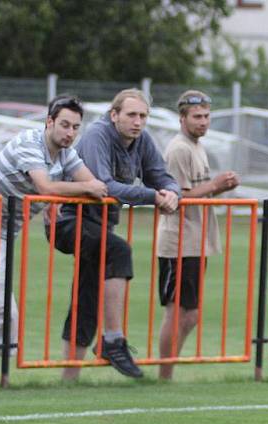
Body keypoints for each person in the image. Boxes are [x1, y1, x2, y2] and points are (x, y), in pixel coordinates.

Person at [0, 95, 107, 383]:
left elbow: (92, 182)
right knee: (0, 307)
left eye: (75, 127)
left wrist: (62, 196)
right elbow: (48, 185)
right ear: (49, 122)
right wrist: (64, 193)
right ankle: (0, 374)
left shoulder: (64, 152)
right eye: (64, 125)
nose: (70, 133)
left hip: (1, 232)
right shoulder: (29, 143)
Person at [53, 88, 179, 380]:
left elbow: (161, 175)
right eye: (131, 114)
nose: (138, 122)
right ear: (114, 115)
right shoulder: (98, 134)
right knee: (119, 250)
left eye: (143, 116)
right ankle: (112, 340)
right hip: (68, 219)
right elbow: (104, 185)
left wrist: (171, 193)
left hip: (101, 227)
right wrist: (153, 196)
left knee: (87, 294)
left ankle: (68, 379)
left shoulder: (142, 139)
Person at [157, 90, 239, 380]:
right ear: (182, 118)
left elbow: (199, 190)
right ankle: (164, 375)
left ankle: (168, 371)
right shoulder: (179, 148)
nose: (203, 122)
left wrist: (220, 187)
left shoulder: (196, 146)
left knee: (190, 315)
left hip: (196, 241)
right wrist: (216, 184)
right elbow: (178, 194)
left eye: (206, 116)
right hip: (178, 241)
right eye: (197, 117)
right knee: (177, 312)